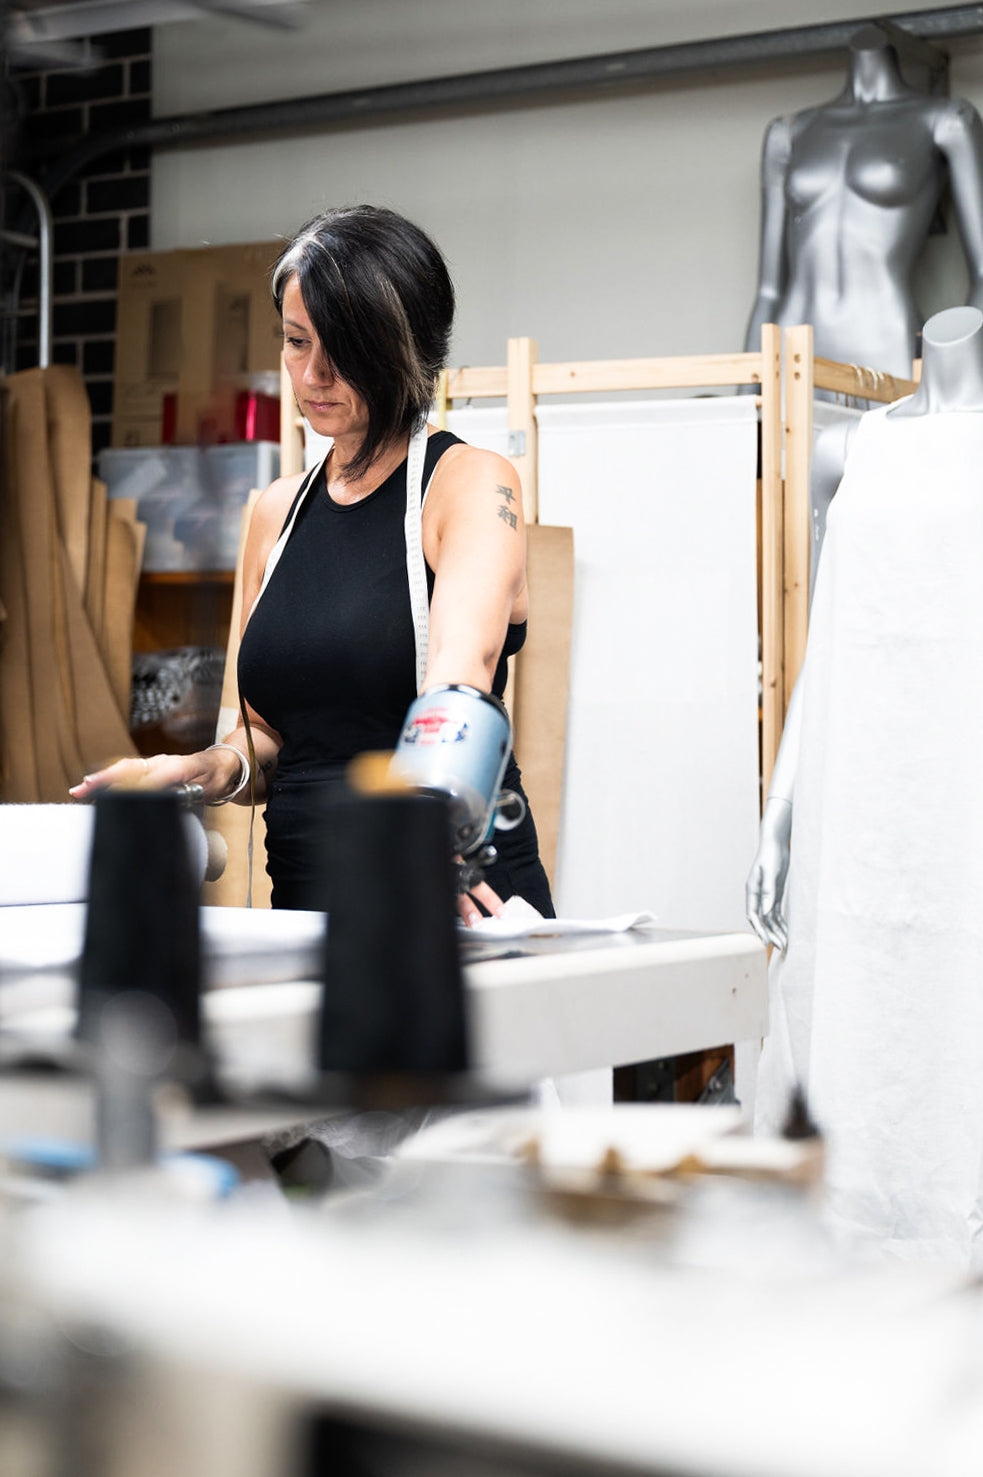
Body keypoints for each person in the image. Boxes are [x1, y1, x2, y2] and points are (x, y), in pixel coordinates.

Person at [72, 204, 553, 926]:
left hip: (446, 896)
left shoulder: (469, 483)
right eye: (296, 342)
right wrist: (203, 770)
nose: (313, 373)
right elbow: (267, 736)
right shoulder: (276, 511)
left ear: (404, 348)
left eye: (342, 349)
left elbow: (462, 668)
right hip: (304, 907)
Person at [746, 304, 983, 1264]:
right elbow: (827, 643)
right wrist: (780, 814)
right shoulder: (852, 446)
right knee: (850, 1013)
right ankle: (855, 1252)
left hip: (960, 786)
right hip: (859, 796)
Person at [744, 24, 983, 377]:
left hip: (882, 335)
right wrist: (746, 407)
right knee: (785, 433)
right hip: (792, 338)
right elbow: (767, 290)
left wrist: (965, 379)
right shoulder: (788, 133)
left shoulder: (945, 121)